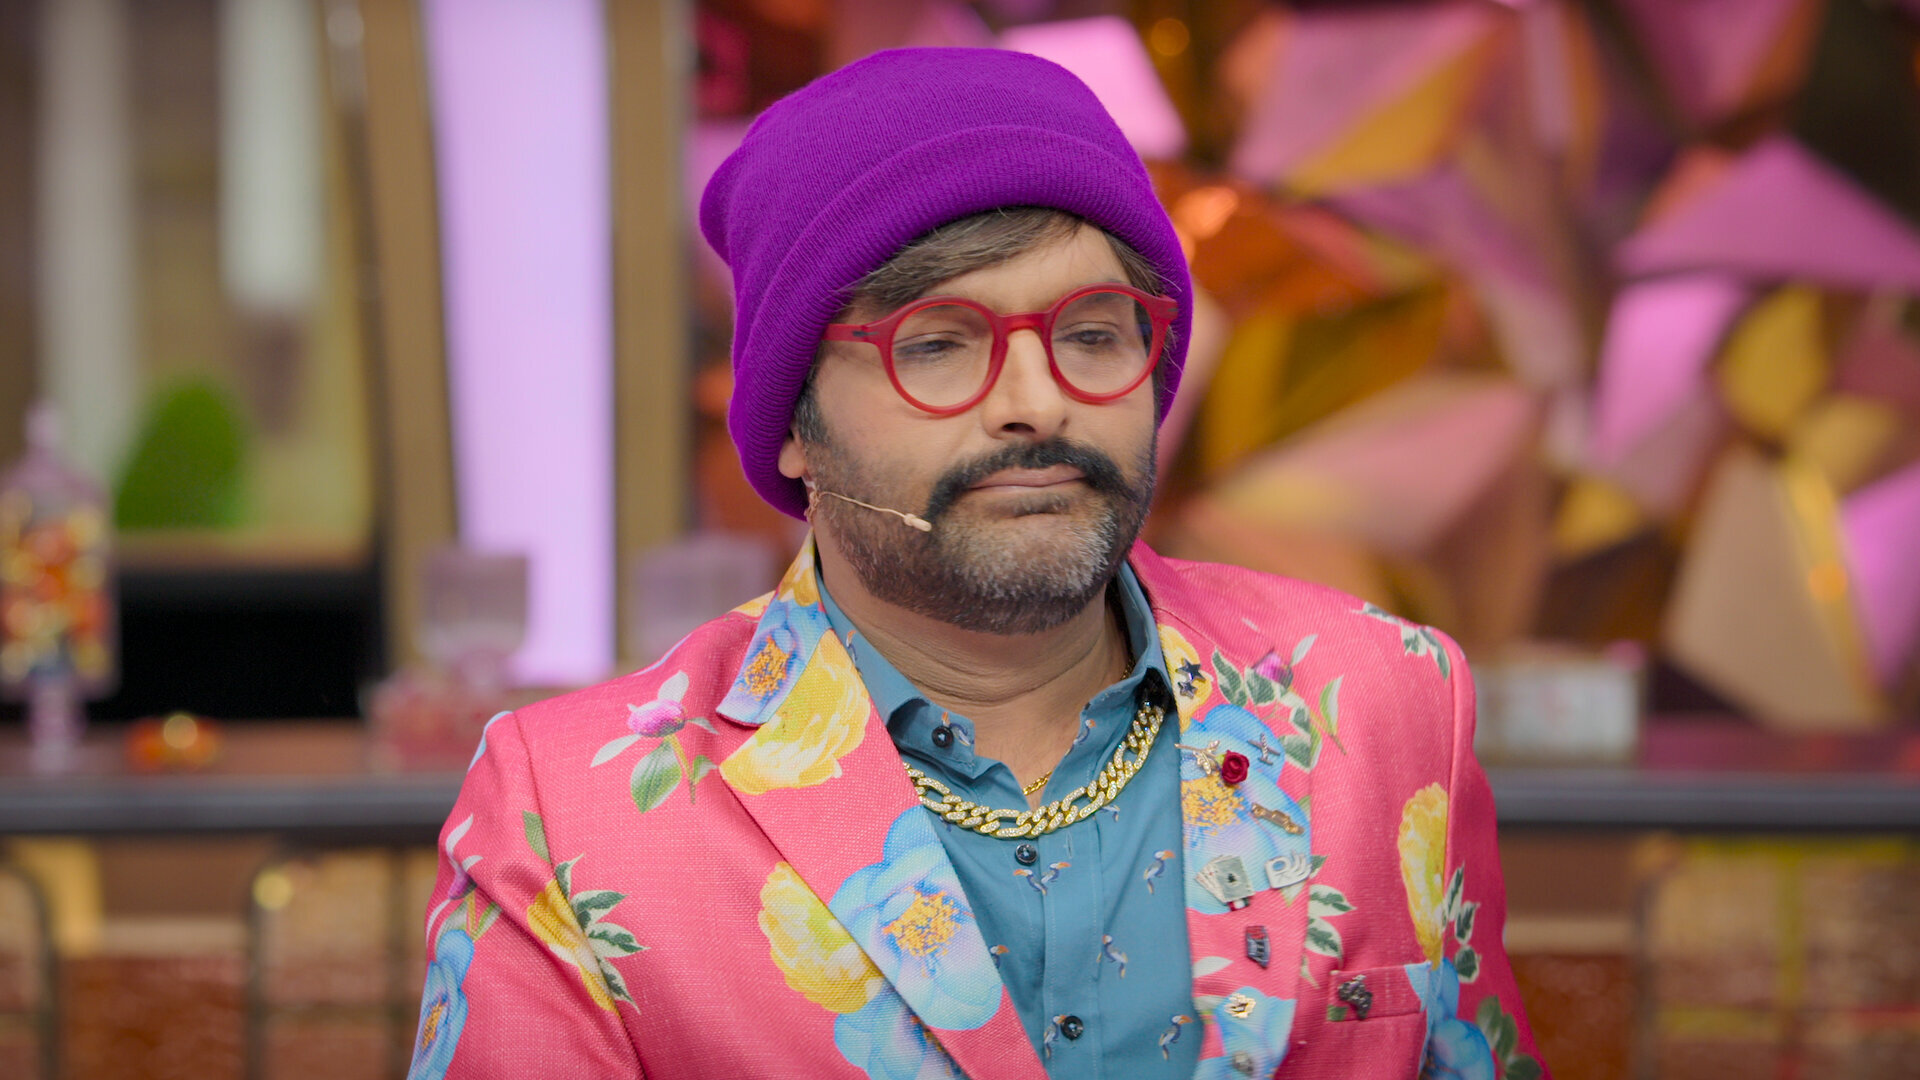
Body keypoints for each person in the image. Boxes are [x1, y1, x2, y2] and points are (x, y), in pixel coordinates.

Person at [408, 48, 1549, 1080]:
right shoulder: (573, 812)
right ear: (794, 424)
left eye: (1091, 333)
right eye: (939, 345)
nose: (1036, 402)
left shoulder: (1386, 700)